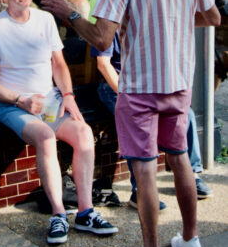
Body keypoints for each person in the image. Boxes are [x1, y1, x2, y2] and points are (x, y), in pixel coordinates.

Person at [42, 0, 221, 247]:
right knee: (180, 160)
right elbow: (212, 16)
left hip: (139, 87)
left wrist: (68, 13)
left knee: (144, 173)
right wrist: (169, 18)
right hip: (178, 82)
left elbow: (101, 37)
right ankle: (191, 241)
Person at [0, 0, 118, 245]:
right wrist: (20, 100)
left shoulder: (44, 20)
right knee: (45, 136)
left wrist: (68, 96)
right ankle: (58, 214)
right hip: (12, 106)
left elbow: (59, 65)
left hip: (49, 101)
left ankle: (86, 212)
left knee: (85, 135)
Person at [91, 33, 213, 206]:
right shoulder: (110, 24)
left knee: (188, 115)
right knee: (136, 122)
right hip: (117, 85)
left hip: (148, 85)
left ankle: (192, 174)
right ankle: (139, 191)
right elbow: (103, 65)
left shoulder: (146, 22)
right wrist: (127, 96)